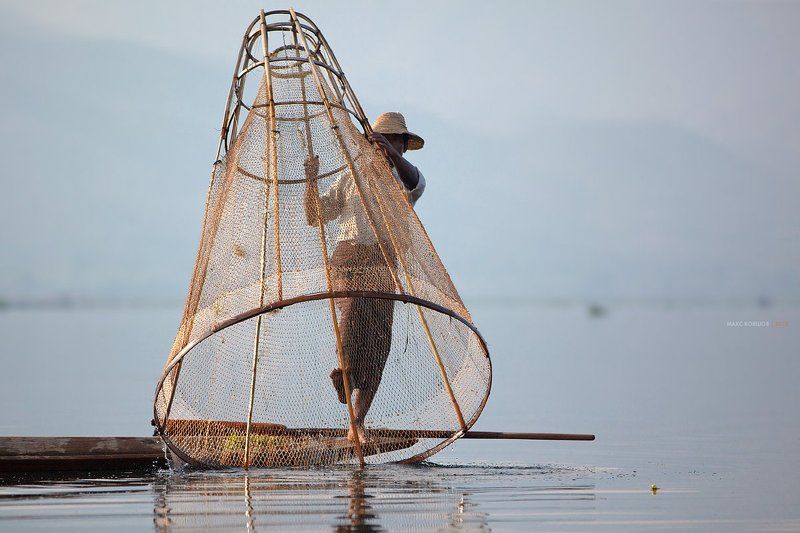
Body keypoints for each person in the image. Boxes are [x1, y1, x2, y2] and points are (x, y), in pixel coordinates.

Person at [303, 112, 426, 444]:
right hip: (349, 258)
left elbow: (417, 180)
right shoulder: (351, 176)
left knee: (379, 341)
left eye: (395, 142)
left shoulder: (405, 181)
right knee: (355, 312)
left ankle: (356, 421)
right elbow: (315, 216)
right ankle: (345, 373)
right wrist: (311, 179)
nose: (388, 148)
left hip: (384, 259)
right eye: (382, 142)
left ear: (401, 146)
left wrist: (390, 154)